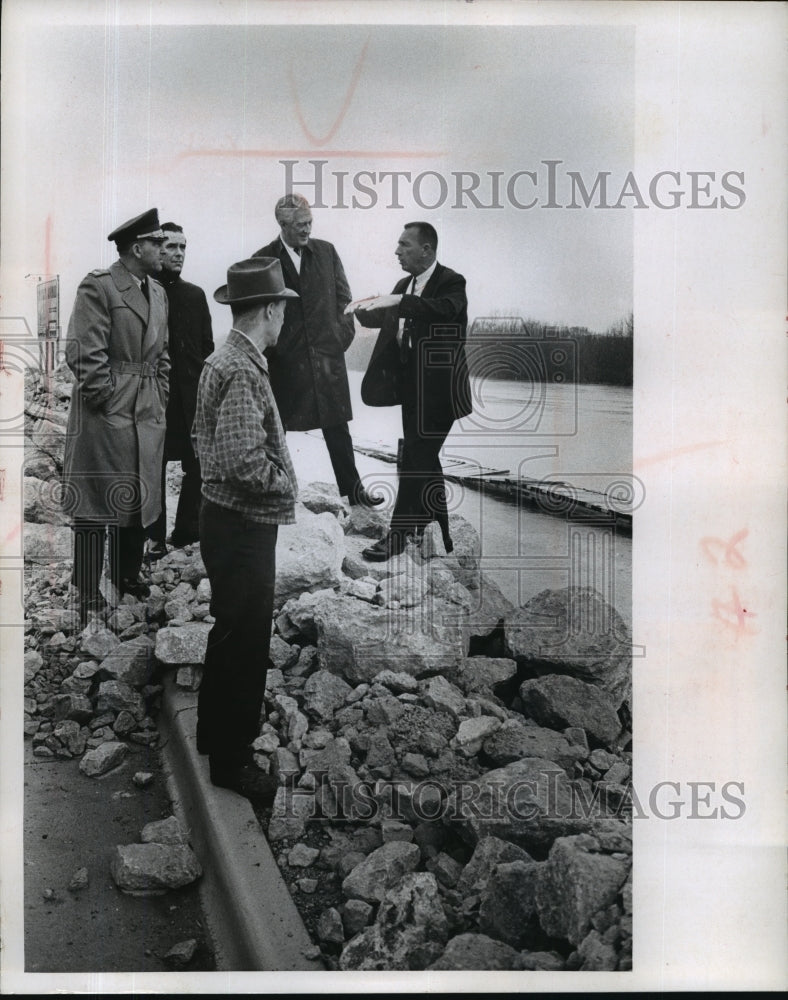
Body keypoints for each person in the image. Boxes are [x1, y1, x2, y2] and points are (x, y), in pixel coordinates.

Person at [192, 257, 298, 801]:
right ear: (269, 309)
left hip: (225, 520)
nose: (284, 318)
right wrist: (285, 485)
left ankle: (212, 736)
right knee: (247, 641)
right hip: (244, 526)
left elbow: (202, 440)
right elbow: (241, 459)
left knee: (229, 629)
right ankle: (232, 764)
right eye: (282, 307)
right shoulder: (240, 367)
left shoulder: (225, 359)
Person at [63, 208, 169, 621]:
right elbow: (84, 353)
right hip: (106, 408)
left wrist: (158, 394)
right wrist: (105, 397)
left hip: (145, 404)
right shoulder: (99, 287)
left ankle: (127, 577)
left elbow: (163, 356)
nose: (164, 248)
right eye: (157, 242)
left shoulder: (157, 292)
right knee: (94, 499)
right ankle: (86, 589)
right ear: (136, 247)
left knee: (138, 491)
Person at [347, 221, 472, 561]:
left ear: (426, 250)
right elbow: (390, 319)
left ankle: (398, 535)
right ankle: (436, 527)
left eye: (404, 245)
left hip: (443, 394)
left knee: (416, 459)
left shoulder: (451, 282)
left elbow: (446, 310)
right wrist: (363, 312)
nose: (397, 251)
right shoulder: (404, 284)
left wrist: (399, 301)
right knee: (424, 459)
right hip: (413, 391)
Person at [252, 193, 383, 507]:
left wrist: (339, 341)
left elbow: (345, 303)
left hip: (327, 360)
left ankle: (354, 493)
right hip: (285, 365)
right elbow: (259, 315)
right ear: (282, 224)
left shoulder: (326, 252)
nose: (307, 229)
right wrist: (277, 352)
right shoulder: (263, 260)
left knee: (338, 429)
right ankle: (277, 494)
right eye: (300, 224)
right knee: (275, 431)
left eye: (310, 222)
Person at [146, 222, 214, 557]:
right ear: (157, 249)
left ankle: (186, 533)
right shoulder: (145, 292)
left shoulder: (195, 295)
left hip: (191, 402)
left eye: (183, 247)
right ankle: (154, 539)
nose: (178, 254)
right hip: (155, 400)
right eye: (171, 246)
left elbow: (206, 347)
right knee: (152, 468)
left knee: (197, 466)